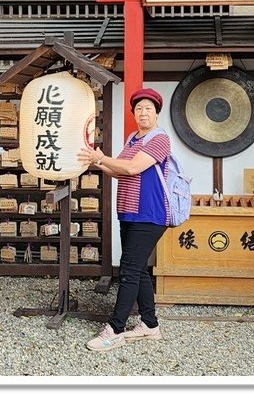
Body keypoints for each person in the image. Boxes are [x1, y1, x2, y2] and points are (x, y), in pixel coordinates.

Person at [77, 87, 170, 351]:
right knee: (138, 269)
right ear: (133, 113)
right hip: (129, 211)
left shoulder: (159, 139)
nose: (143, 112)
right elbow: (119, 172)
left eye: (148, 109)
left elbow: (131, 167)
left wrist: (101, 157)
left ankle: (115, 329)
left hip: (149, 213)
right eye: (138, 108)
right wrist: (95, 162)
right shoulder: (132, 138)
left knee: (128, 270)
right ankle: (150, 325)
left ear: (156, 112)